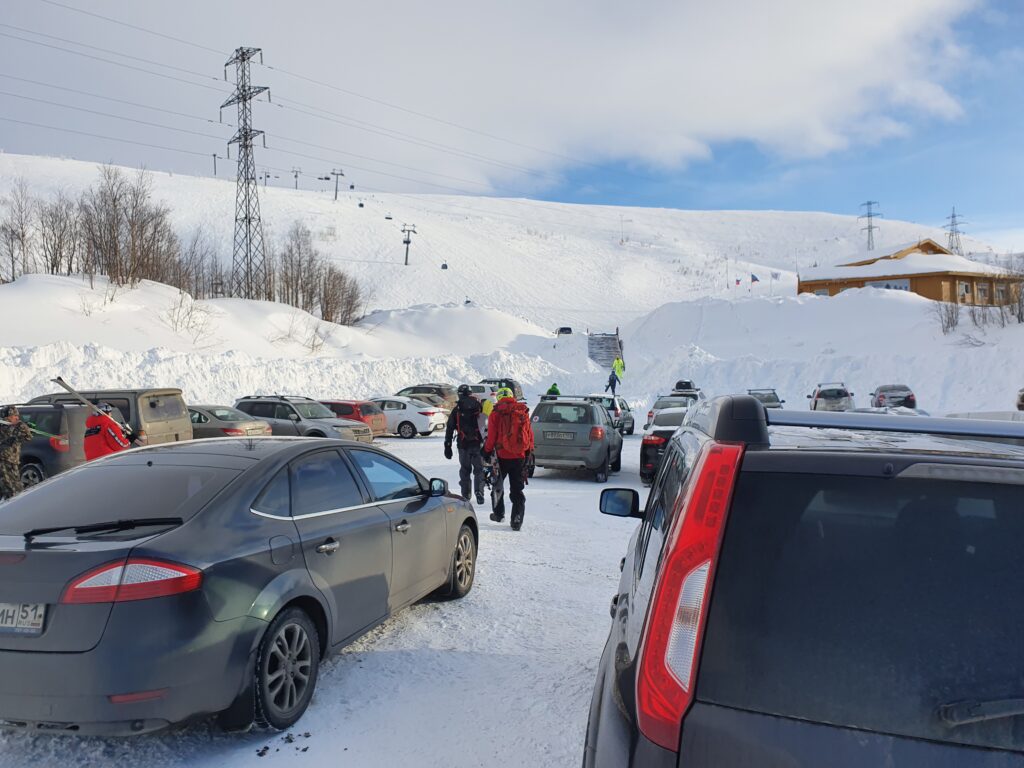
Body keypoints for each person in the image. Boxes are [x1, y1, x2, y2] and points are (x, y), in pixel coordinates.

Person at [483, 387, 534, 531]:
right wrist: (530, 451)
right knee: (517, 489)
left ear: (499, 397)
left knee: (497, 485)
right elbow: (529, 434)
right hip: (520, 456)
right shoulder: (522, 410)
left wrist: (486, 451)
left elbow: (491, 437)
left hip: (501, 457)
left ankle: (499, 514)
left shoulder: (496, 412)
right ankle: (517, 519)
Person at [444, 385, 486, 505]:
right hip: (478, 443)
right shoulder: (479, 406)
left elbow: (450, 428)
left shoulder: (457, 409)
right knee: (479, 469)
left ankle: (466, 494)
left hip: (463, 444)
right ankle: (479, 492)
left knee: (465, 470)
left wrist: (447, 445)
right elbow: (485, 423)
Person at [0, 406, 32, 501]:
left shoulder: (15, 427)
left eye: (17, 415)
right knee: (11, 489)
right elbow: (10, 433)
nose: (17, 418)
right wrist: (20, 427)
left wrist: (24, 427)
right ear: (7, 417)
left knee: (14, 487)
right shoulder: (4, 428)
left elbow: (27, 437)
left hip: (12, 462)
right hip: (3, 463)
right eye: (14, 416)